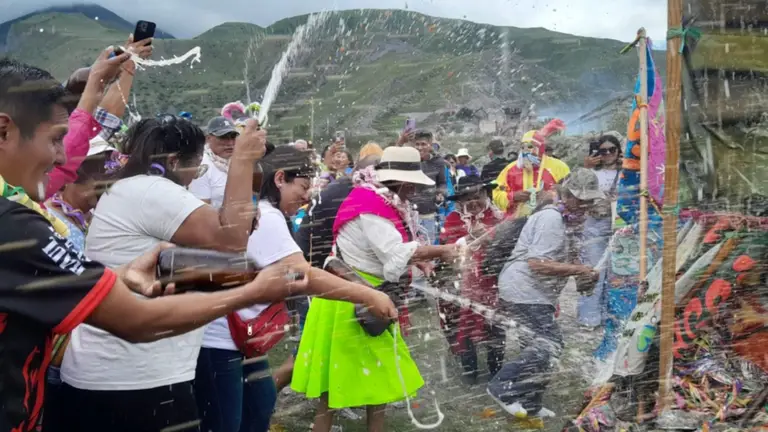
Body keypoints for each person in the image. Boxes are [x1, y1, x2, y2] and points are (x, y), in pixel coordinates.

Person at [0, 57, 306, 432]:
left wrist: (117, 275)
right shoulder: (18, 225)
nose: (65, 158)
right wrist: (254, 291)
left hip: (119, 381)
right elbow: (138, 319)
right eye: (54, 140)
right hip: (131, 382)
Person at [53, 115, 269, 432]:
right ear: (173, 161)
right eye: (197, 167)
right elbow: (232, 240)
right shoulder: (149, 189)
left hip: (118, 377)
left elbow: (220, 242)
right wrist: (242, 159)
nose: (195, 178)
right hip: (134, 381)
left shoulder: (132, 190)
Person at [194, 145, 396, 432]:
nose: (306, 195)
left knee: (261, 404)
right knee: (228, 422)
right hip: (221, 340)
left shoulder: (267, 214)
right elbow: (305, 276)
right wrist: (368, 295)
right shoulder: (267, 217)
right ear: (280, 179)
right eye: (302, 186)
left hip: (242, 338)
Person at [292, 146, 459, 432]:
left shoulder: (381, 201)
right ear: (399, 181)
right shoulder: (371, 207)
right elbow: (395, 254)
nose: (415, 191)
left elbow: (389, 249)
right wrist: (443, 250)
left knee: (377, 380)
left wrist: (421, 261)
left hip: (363, 294)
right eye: (412, 185)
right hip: (352, 298)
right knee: (333, 386)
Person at [487, 169, 603, 419]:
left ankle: (530, 403)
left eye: (589, 200)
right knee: (551, 344)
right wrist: (578, 269)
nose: (585, 205)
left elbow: (566, 261)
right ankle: (502, 387)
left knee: (536, 348)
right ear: (567, 196)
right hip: (524, 289)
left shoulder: (571, 222)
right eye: (581, 199)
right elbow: (537, 263)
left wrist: (584, 277)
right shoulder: (552, 218)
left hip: (535, 292)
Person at [439, 176, 505, 384]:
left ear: (486, 195)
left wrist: (491, 239)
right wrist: (469, 238)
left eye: (478, 196)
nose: (474, 202)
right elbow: (446, 252)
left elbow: (507, 246)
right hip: (461, 284)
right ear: (460, 201)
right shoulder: (453, 219)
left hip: (491, 283)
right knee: (464, 327)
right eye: (468, 198)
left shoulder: (497, 216)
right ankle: (470, 372)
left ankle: (496, 371)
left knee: (495, 326)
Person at [577, 133, 623, 328]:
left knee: (616, 272)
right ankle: (589, 317)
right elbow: (575, 191)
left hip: (619, 226)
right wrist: (585, 168)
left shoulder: (627, 172)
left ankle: (608, 315)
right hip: (594, 224)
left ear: (618, 150)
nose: (608, 154)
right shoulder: (591, 173)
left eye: (612, 149)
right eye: (603, 151)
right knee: (594, 270)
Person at [493, 120, 571, 213]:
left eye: (532, 147)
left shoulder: (559, 167)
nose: (527, 151)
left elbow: (571, 195)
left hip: (549, 217)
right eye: (524, 147)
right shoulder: (510, 170)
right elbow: (495, 195)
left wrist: (552, 196)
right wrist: (513, 196)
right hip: (516, 219)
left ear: (541, 149)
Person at [188, 116, 239, 208]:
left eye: (233, 137)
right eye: (224, 137)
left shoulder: (238, 162)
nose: (230, 143)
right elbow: (201, 210)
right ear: (208, 138)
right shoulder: (202, 166)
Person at [408, 130, 447, 245]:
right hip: (409, 214)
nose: (420, 147)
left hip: (428, 214)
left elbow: (442, 183)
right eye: (417, 144)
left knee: (428, 246)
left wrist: (440, 193)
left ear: (430, 145)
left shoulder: (438, 162)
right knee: (412, 247)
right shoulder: (409, 161)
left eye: (423, 144)